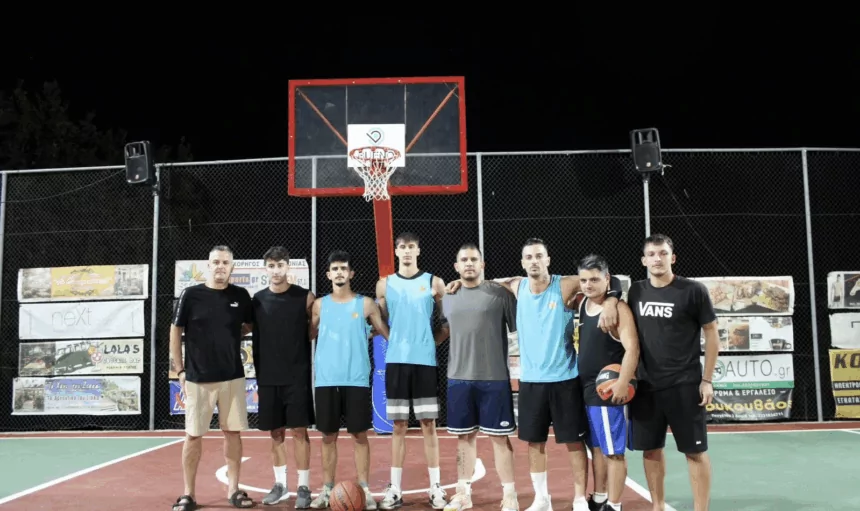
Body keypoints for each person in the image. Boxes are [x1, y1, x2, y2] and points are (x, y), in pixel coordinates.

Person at [447, 238, 623, 511]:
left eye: (539, 256)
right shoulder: (516, 286)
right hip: (531, 382)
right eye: (528, 257)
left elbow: (610, 280)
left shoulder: (565, 285)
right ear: (522, 263)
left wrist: (612, 299)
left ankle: (579, 498)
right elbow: (481, 282)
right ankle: (542, 499)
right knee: (535, 443)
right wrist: (458, 282)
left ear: (548, 259)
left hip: (565, 379)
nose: (534, 261)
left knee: (574, 443)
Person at [626, 234, 718, 511]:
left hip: (684, 385)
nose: (657, 258)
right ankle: (658, 506)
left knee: (695, 451)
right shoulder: (636, 292)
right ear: (644, 260)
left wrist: (707, 380)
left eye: (663, 253)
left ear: (673, 257)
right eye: (652, 254)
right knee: (651, 450)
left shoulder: (693, 291)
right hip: (646, 387)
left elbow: (712, 335)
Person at [170, 245, 255, 511]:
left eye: (225, 262)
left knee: (233, 433)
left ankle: (234, 490)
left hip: (232, 377)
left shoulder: (240, 296)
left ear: (232, 267)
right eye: (216, 262)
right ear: (209, 265)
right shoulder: (191, 295)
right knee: (193, 436)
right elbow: (175, 331)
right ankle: (188, 494)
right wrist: (180, 370)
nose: (220, 266)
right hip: (198, 378)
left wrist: (230, 335)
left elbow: (249, 325)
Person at [438, 243, 519, 511]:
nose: (469, 263)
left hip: (494, 377)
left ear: (482, 264)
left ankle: (510, 495)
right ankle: (463, 494)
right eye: (464, 260)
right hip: (458, 378)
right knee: (464, 437)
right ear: (456, 266)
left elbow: (518, 329)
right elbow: (444, 331)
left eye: (474, 259)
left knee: (500, 438)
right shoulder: (447, 297)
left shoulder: (500, 294)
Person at [309, 250, 390, 511]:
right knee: (328, 436)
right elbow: (308, 334)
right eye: (335, 269)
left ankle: (364, 489)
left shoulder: (365, 304)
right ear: (328, 274)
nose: (339, 272)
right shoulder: (319, 305)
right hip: (326, 379)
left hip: (356, 378)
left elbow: (385, 332)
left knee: (359, 435)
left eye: (344, 268)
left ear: (351, 273)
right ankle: (327, 489)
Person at [375, 232, 449, 510]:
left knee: (429, 425)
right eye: (402, 247)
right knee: (399, 426)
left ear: (418, 250)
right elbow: (381, 321)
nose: (407, 251)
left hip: (425, 363)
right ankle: (395, 488)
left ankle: (436, 487)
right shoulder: (385, 284)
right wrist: (394, 340)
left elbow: (447, 322)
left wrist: (429, 342)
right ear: (396, 252)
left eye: (411, 247)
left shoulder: (434, 282)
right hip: (396, 362)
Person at [573, 254, 640, 511]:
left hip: (607, 390)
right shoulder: (583, 303)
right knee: (597, 447)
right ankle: (600, 497)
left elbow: (632, 348)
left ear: (607, 279)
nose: (588, 285)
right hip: (586, 389)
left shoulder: (618, 309)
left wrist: (623, 382)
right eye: (584, 280)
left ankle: (614, 504)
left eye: (594, 279)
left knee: (613, 452)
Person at [251, 246, 315, 507]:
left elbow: (315, 328)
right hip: (268, 376)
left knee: (299, 432)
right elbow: (244, 327)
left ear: (288, 266)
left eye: (280, 265)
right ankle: (280, 485)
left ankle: (303, 487)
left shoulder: (305, 297)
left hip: (296, 376)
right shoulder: (257, 300)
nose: (276, 270)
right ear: (265, 268)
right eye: (271, 266)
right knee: (275, 433)